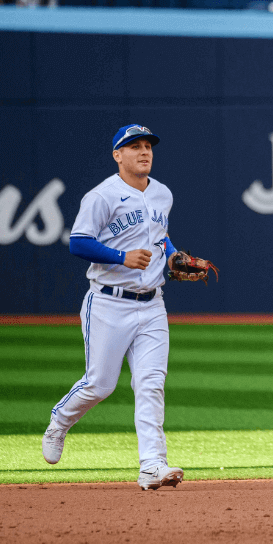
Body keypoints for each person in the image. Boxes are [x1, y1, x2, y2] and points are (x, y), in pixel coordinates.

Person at [42, 125, 195, 491]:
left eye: (147, 146)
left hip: (153, 304)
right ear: (117, 155)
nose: (144, 152)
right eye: (134, 147)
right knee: (100, 384)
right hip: (109, 302)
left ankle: (152, 465)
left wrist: (173, 257)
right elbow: (78, 243)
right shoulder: (102, 196)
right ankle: (59, 421)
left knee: (151, 384)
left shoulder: (162, 193)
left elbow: (160, 237)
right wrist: (120, 257)